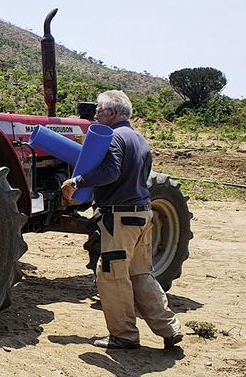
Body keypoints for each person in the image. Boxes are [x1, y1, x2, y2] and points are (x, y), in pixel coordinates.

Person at [60, 90, 183, 350]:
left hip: (121, 218)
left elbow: (110, 171)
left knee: (111, 276)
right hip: (143, 213)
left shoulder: (114, 138)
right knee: (141, 274)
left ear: (112, 113)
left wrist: (77, 182)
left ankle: (123, 335)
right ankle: (169, 328)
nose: (95, 116)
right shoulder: (139, 139)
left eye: (99, 111)